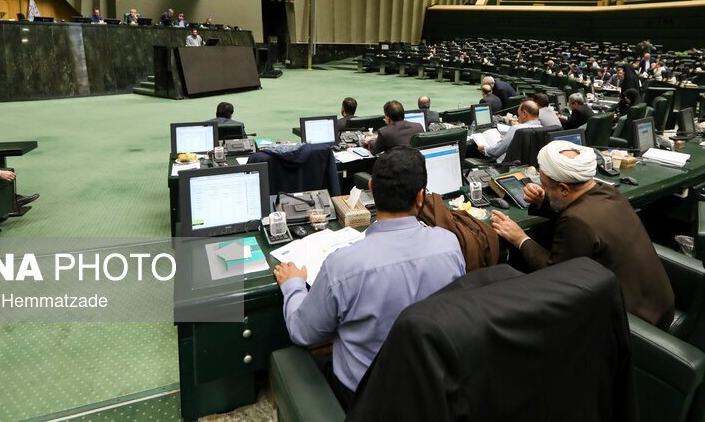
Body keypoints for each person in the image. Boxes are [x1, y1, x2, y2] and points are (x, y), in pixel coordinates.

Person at [274, 147, 465, 407]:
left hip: (365, 398)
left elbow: (302, 332)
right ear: (420, 197)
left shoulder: (342, 265)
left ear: (371, 189)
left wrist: (293, 285)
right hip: (431, 387)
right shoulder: (450, 245)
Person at [490, 140, 674, 328]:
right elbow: (576, 209)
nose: (541, 188)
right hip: (660, 306)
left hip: (633, 324)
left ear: (563, 189)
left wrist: (519, 237)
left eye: (545, 186)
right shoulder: (608, 191)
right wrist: (544, 200)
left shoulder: (576, 221)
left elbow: (554, 274)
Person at [478, 100, 541, 164]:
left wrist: (485, 149)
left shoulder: (516, 129)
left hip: (505, 166)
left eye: (519, 115)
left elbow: (498, 150)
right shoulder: (542, 128)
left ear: (524, 113)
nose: (518, 118)